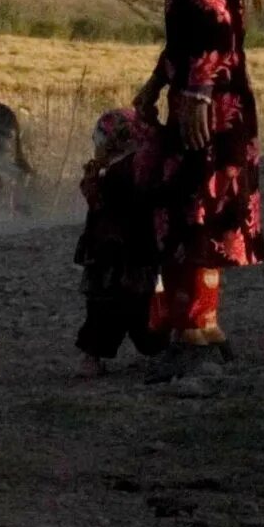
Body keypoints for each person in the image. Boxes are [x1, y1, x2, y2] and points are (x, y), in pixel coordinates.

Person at [133, 0, 264, 357]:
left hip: (209, 107)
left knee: (191, 214)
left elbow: (214, 28)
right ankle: (202, 324)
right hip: (212, 98)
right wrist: (156, 85)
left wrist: (195, 93)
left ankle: (193, 329)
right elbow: (188, 35)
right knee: (201, 213)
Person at [73, 107, 164, 372]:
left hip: (107, 257)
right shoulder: (136, 168)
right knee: (142, 310)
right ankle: (155, 349)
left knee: (103, 310)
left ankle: (93, 358)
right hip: (136, 254)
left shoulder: (103, 172)